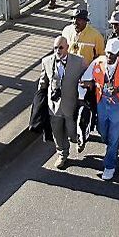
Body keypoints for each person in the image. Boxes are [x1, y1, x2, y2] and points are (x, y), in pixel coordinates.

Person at [80, 38, 119, 180]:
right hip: (102, 101)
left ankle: (109, 165)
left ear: (118, 53)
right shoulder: (98, 62)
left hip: (118, 104)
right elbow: (85, 79)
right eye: (108, 53)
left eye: (113, 54)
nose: (109, 57)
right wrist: (89, 86)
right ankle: (113, 145)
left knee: (114, 134)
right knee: (102, 131)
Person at [38, 35, 85, 169]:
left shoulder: (79, 62)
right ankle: (62, 154)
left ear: (67, 48)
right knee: (57, 132)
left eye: (61, 47)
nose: (58, 50)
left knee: (72, 132)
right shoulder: (46, 61)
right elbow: (43, 82)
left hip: (71, 105)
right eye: (55, 48)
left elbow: (87, 80)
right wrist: (39, 101)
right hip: (53, 106)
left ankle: (78, 140)